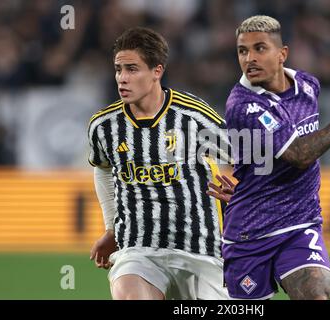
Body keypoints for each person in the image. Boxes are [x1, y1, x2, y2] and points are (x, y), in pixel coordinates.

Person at [207, 15, 330, 300]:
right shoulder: (243, 104)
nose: (249, 58)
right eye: (242, 51)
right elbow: (300, 155)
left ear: (282, 54)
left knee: (316, 295)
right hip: (250, 233)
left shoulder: (308, 85)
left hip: (300, 225)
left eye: (260, 48)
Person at [88, 26, 231, 300]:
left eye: (132, 69)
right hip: (138, 249)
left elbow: (245, 158)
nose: (122, 78)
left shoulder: (193, 117)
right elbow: (103, 168)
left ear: (157, 71)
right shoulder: (103, 126)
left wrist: (245, 200)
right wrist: (111, 227)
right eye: (119, 69)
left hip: (200, 250)